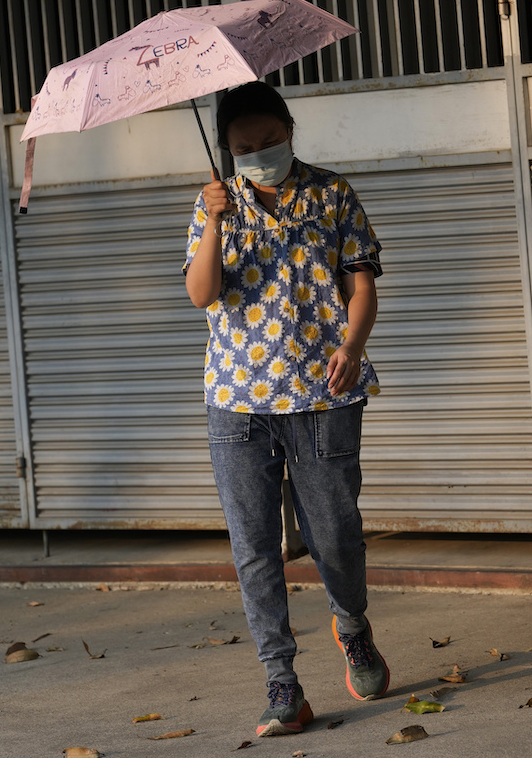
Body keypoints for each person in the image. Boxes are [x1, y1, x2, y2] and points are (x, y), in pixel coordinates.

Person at [182, 81, 389, 738]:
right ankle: (282, 683)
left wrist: (352, 345)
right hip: (238, 403)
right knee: (253, 548)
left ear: (290, 130)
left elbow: (362, 284)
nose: (260, 154)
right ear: (227, 151)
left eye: (270, 141)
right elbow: (202, 292)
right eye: (245, 147)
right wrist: (214, 220)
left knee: (335, 535)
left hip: (323, 394)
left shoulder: (332, 193)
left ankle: (352, 625)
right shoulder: (214, 203)